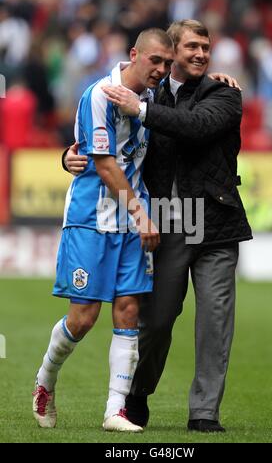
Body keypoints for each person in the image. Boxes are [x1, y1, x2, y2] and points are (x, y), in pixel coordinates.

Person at [65, 19, 253, 433]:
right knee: (158, 320)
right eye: (191, 47)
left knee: (215, 322)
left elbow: (196, 127)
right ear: (171, 53)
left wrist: (143, 110)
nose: (201, 54)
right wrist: (70, 156)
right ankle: (137, 395)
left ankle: (204, 412)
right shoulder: (147, 91)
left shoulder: (224, 93)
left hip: (216, 221)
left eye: (206, 46)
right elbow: (108, 143)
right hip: (166, 220)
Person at [32, 28, 174, 433]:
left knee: (129, 310)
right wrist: (143, 215)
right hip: (93, 218)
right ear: (134, 54)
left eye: (167, 64)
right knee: (83, 317)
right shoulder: (100, 94)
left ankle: (116, 411)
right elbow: (105, 163)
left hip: (132, 219)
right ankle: (45, 380)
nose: (162, 70)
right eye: (155, 61)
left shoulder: (150, 98)